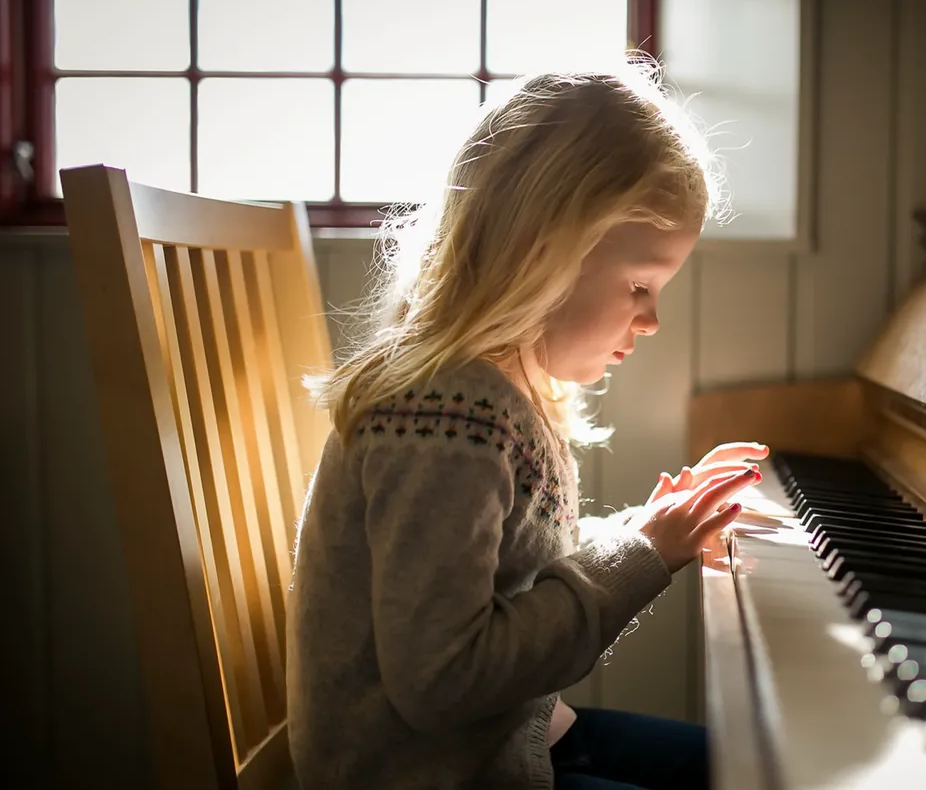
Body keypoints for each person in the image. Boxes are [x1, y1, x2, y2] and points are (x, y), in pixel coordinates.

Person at [287, 61, 768, 790]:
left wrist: (650, 529)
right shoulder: (445, 414)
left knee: (748, 770)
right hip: (428, 773)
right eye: (640, 286)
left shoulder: (487, 397)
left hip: (509, 741)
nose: (652, 319)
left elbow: (517, 583)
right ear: (540, 250)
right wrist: (645, 558)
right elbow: (443, 681)